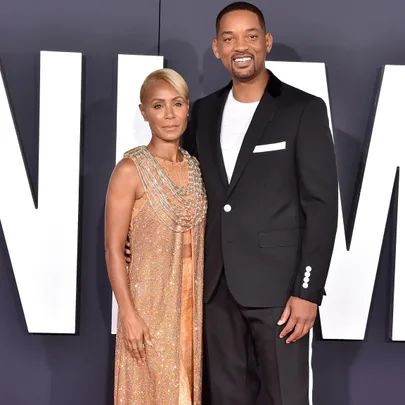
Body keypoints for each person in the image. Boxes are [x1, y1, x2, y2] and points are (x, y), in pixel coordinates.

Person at [183, 2, 339, 405]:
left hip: (279, 294)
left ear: (266, 42)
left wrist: (308, 291)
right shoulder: (201, 113)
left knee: (285, 397)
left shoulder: (302, 110)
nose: (241, 46)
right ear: (216, 48)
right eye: (229, 38)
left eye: (251, 36)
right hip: (215, 289)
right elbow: (182, 190)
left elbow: (321, 205)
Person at [105, 68, 207, 405]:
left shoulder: (194, 168)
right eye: (158, 105)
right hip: (147, 309)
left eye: (176, 104)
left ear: (187, 108)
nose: (169, 115)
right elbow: (113, 250)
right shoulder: (129, 170)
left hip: (190, 308)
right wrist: (129, 316)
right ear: (143, 111)